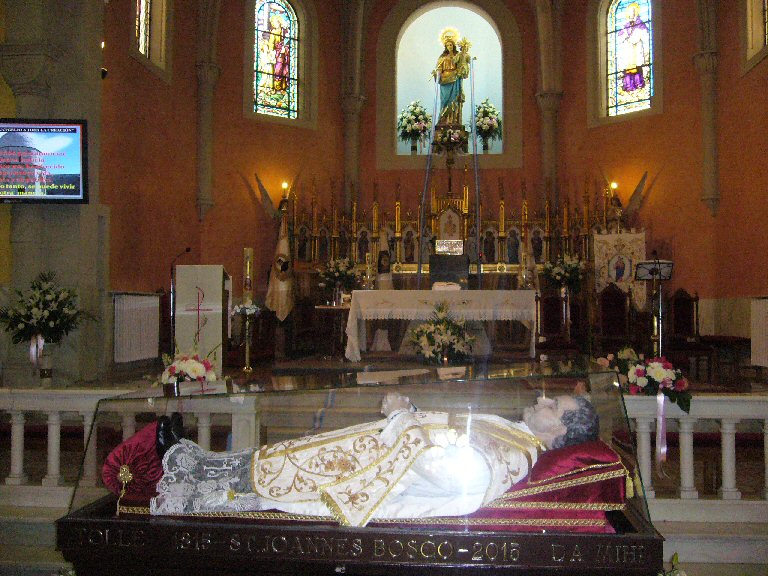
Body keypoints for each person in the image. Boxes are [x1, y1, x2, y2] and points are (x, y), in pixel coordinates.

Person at [150, 392, 599, 526]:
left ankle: (195, 481)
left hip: (378, 482)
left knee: (284, 474)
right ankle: (197, 463)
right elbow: (450, 437)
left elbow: (451, 475)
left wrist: (403, 417)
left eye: (554, 406)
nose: (543, 399)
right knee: (284, 456)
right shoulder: (516, 434)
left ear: (559, 432)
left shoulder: (516, 455)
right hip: (376, 455)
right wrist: (409, 415)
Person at [432, 28, 471, 126]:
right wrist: (436, 74)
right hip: (445, 81)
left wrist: (463, 67)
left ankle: (454, 121)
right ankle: (443, 121)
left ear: (453, 46)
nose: (449, 46)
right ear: (445, 46)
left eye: (451, 45)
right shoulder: (442, 57)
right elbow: (439, 68)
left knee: (455, 100)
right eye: (447, 45)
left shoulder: (458, 55)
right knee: (445, 100)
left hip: (455, 79)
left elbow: (463, 66)